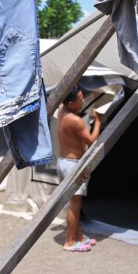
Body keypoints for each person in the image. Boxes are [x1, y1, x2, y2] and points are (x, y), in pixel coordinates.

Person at [56, 85, 102, 252]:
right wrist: (98, 121)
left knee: (76, 203)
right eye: (79, 100)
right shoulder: (74, 120)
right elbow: (91, 141)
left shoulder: (62, 111)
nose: (82, 101)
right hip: (73, 166)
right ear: (70, 103)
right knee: (75, 204)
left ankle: (79, 237)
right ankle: (69, 242)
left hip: (64, 162)